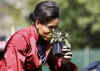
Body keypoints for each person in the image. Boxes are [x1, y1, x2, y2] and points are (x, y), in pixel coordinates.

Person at [0, 1, 78, 71]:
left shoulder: (48, 42)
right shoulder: (20, 40)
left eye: (55, 28)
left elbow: (57, 66)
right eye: (50, 27)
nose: (54, 32)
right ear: (37, 23)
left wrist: (65, 63)